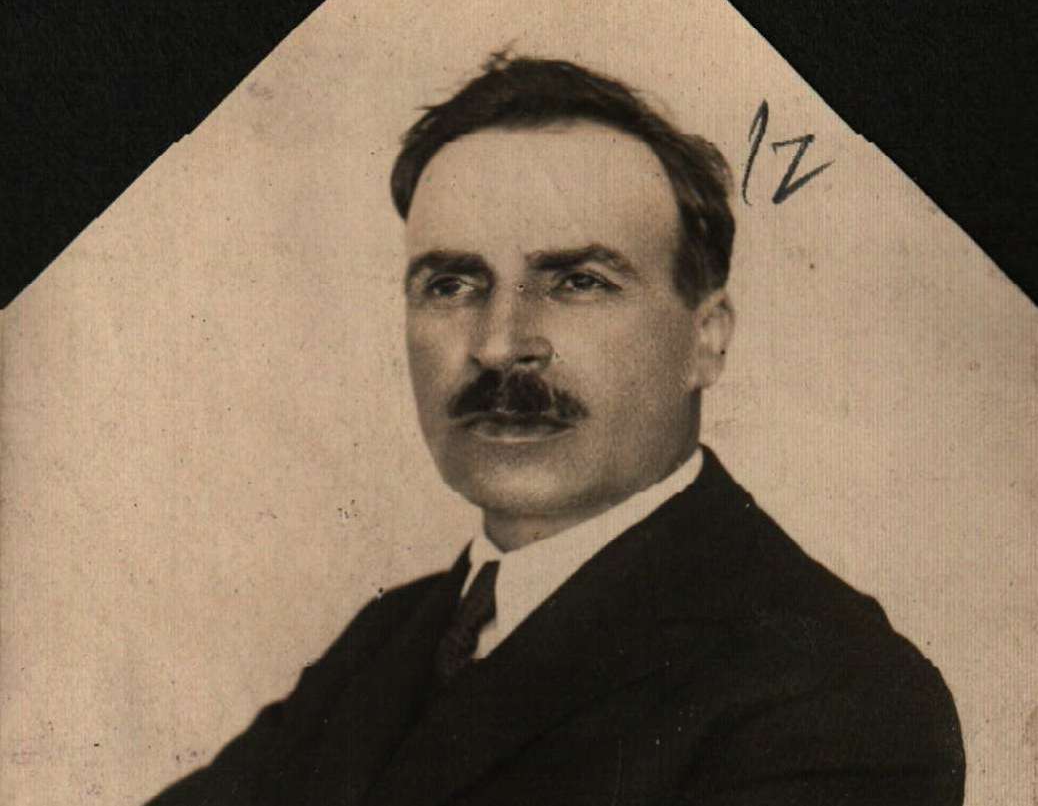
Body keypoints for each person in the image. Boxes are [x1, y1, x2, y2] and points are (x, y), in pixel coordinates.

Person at [146, 54, 965, 806]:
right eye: (451, 283)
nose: (500, 343)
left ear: (706, 338)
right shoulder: (391, 637)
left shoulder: (833, 691)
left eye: (578, 281)